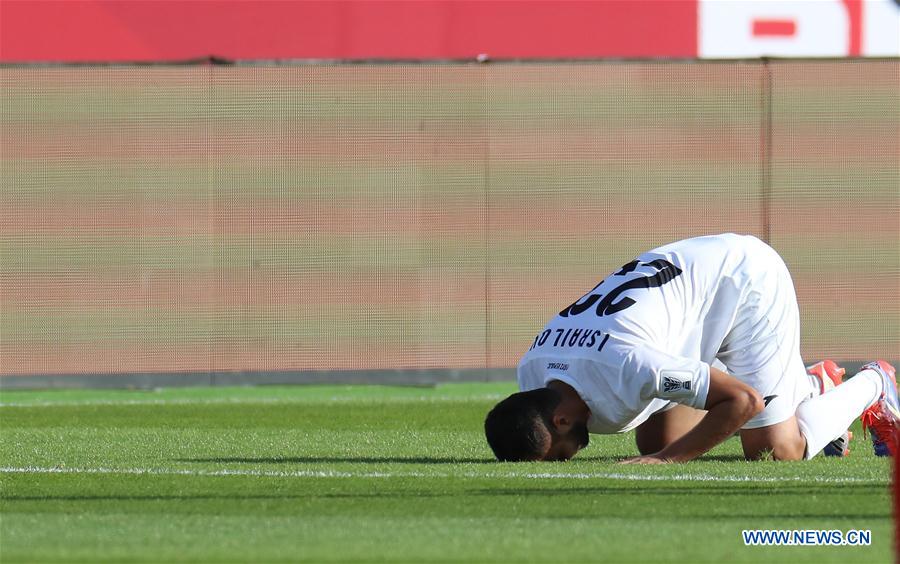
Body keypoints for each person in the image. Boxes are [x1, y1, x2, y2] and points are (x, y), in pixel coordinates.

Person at [484, 233, 898, 463]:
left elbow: (743, 400)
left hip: (746, 283)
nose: (566, 462)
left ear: (559, 421)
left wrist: (668, 461)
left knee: (774, 450)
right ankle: (804, 386)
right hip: (692, 294)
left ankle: (875, 382)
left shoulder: (630, 365)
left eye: (558, 457)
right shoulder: (533, 370)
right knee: (659, 439)